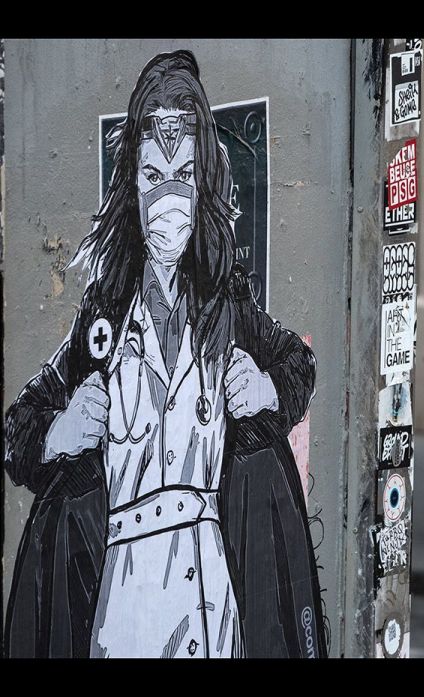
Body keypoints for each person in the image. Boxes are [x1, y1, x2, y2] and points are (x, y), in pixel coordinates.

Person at [3, 50, 327, 657]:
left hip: (208, 593)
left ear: (203, 182)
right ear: (132, 184)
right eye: (154, 177)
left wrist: (266, 389)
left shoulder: (226, 304)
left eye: (182, 176)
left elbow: (295, 364)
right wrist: (60, 432)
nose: (167, 198)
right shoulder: (103, 316)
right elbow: (20, 428)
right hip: (123, 595)